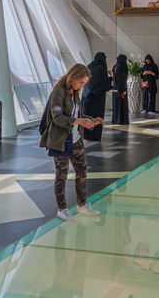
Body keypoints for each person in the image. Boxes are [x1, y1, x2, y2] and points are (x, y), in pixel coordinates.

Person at [39, 63, 103, 222]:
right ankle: (62, 209)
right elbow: (58, 118)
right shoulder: (58, 93)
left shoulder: (75, 94)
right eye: (81, 82)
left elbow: (78, 115)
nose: (82, 86)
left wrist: (90, 120)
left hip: (75, 139)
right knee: (62, 175)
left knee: (82, 171)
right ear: (73, 77)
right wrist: (79, 121)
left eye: (84, 83)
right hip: (60, 141)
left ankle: (81, 205)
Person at [82, 52, 112, 141]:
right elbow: (103, 85)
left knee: (86, 117)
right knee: (96, 119)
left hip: (86, 97)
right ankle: (94, 136)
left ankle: (86, 135)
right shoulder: (101, 69)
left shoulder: (89, 66)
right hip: (96, 100)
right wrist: (111, 78)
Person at [111, 54, 129, 125]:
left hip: (115, 87)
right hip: (121, 88)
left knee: (116, 105)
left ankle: (116, 120)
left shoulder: (115, 66)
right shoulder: (121, 67)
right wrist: (122, 90)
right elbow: (121, 79)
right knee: (122, 105)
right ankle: (121, 120)